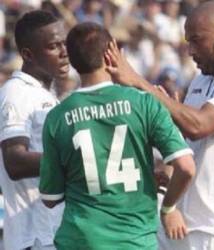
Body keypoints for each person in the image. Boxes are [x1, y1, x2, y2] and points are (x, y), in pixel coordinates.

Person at [105, 1, 214, 249]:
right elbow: (190, 144)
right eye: (187, 41)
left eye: (196, 40)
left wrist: (139, 82)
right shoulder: (200, 80)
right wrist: (169, 177)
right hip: (178, 224)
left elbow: (200, 125)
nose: (190, 50)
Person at [39, 22, 195, 250]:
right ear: (112, 53)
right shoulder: (144, 102)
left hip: (81, 240)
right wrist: (168, 208)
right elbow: (186, 167)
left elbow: (50, 197)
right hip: (135, 241)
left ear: (71, 61)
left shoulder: (57, 117)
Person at [0, 10, 68, 250]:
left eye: (64, 43)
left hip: (52, 233)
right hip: (33, 237)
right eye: (53, 46)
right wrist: (73, 160)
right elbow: (15, 160)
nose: (64, 53)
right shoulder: (16, 93)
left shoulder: (44, 94)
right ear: (28, 54)